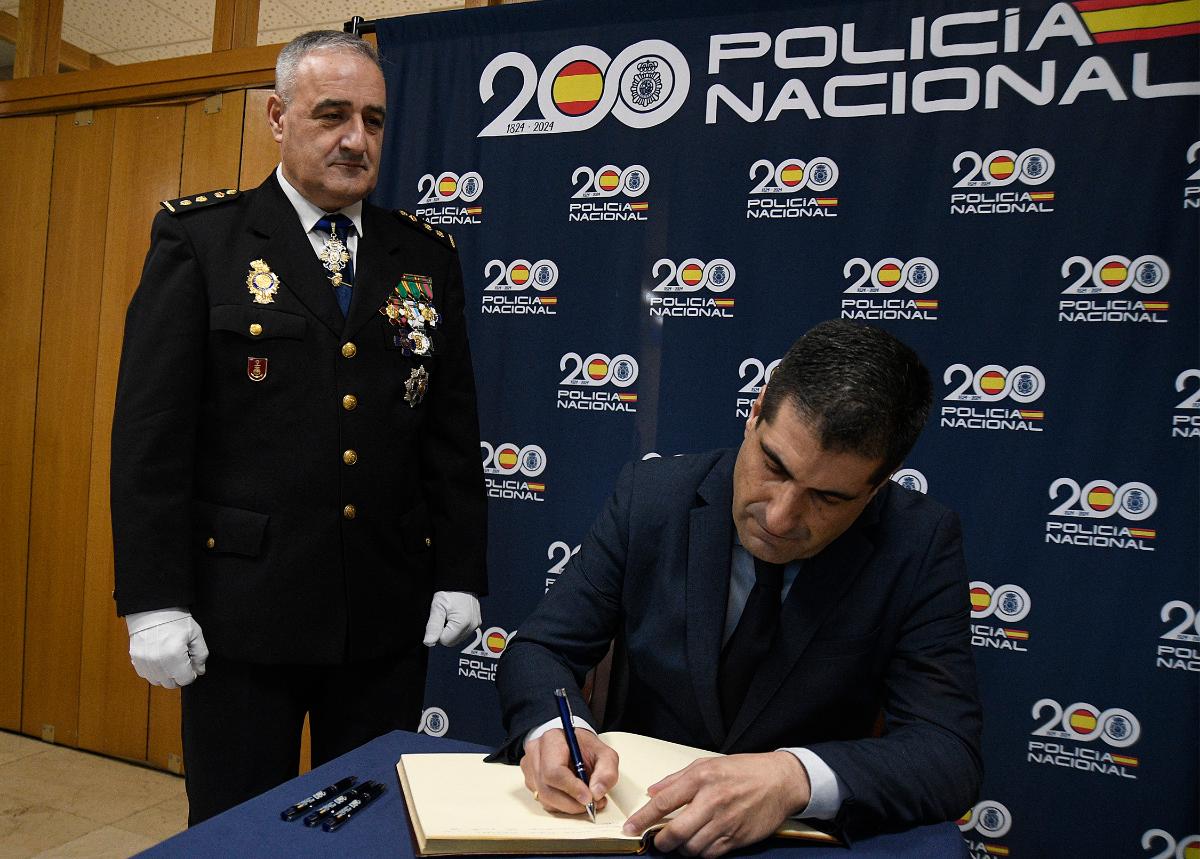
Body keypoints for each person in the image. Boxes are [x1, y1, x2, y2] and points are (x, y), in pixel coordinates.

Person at [110, 31, 487, 824]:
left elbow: (449, 428)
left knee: (376, 822)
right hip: (244, 617)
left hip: (384, 613)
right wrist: (153, 600)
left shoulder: (424, 255)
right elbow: (152, 437)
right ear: (278, 118)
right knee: (238, 828)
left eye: (373, 120)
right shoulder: (204, 240)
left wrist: (460, 569)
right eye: (332, 115)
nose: (356, 138)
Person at [493, 320, 982, 852]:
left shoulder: (918, 543)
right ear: (756, 411)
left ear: (879, 484)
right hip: (633, 826)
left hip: (785, 842)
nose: (780, 517)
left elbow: (947, 750)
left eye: (828, 498)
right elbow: (542, 650)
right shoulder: (652, 497)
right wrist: (555, 730)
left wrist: (793, 778)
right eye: (774, 466)